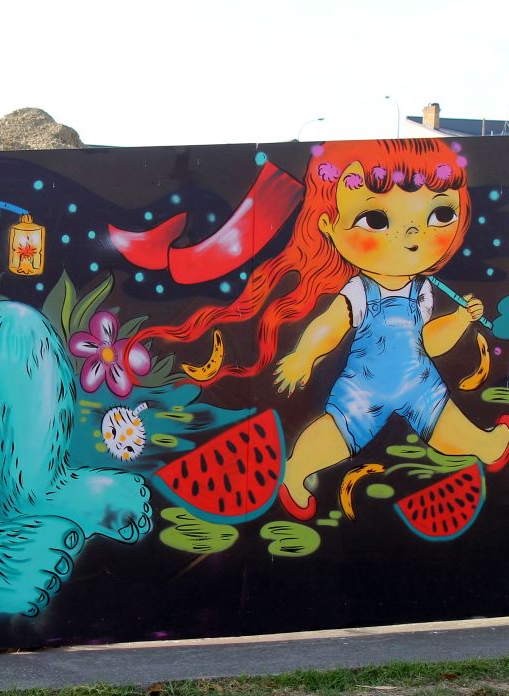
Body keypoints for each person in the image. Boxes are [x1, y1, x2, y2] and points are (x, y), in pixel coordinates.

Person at [131, 139, 509, 520]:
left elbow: (428, 343)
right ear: (329, 226)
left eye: (440, 214)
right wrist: (304, 355)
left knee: (448, 431)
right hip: (364, 389)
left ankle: (487, 446)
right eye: (376, 220)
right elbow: (330, 326)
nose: (413, 235)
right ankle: (296, 471)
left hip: (420, 383)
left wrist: (459, 320)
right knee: (334, 435)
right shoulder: (360, 291)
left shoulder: (422, 292)